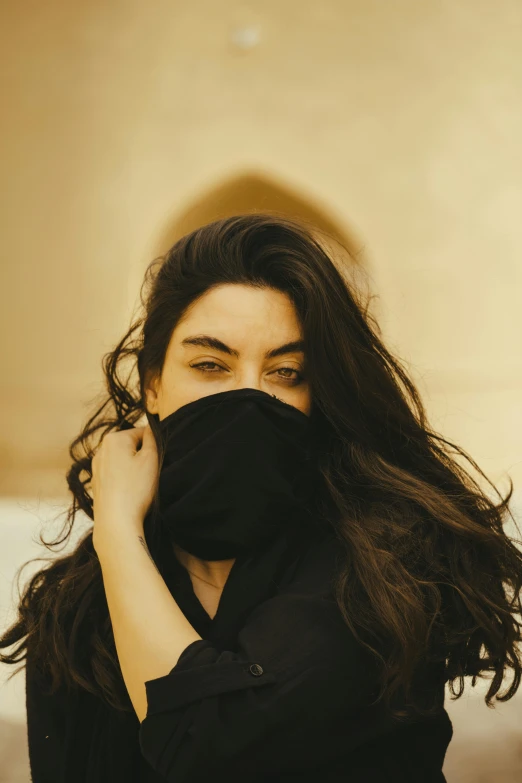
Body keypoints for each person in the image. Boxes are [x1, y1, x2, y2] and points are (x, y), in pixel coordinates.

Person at [1, 212, 521, 782]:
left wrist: (118, 532)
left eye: (285, 372)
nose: (248, 396)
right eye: (210, 365)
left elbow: (210, 742)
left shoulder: (380, 568)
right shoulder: (76, 610)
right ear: (153, 381)